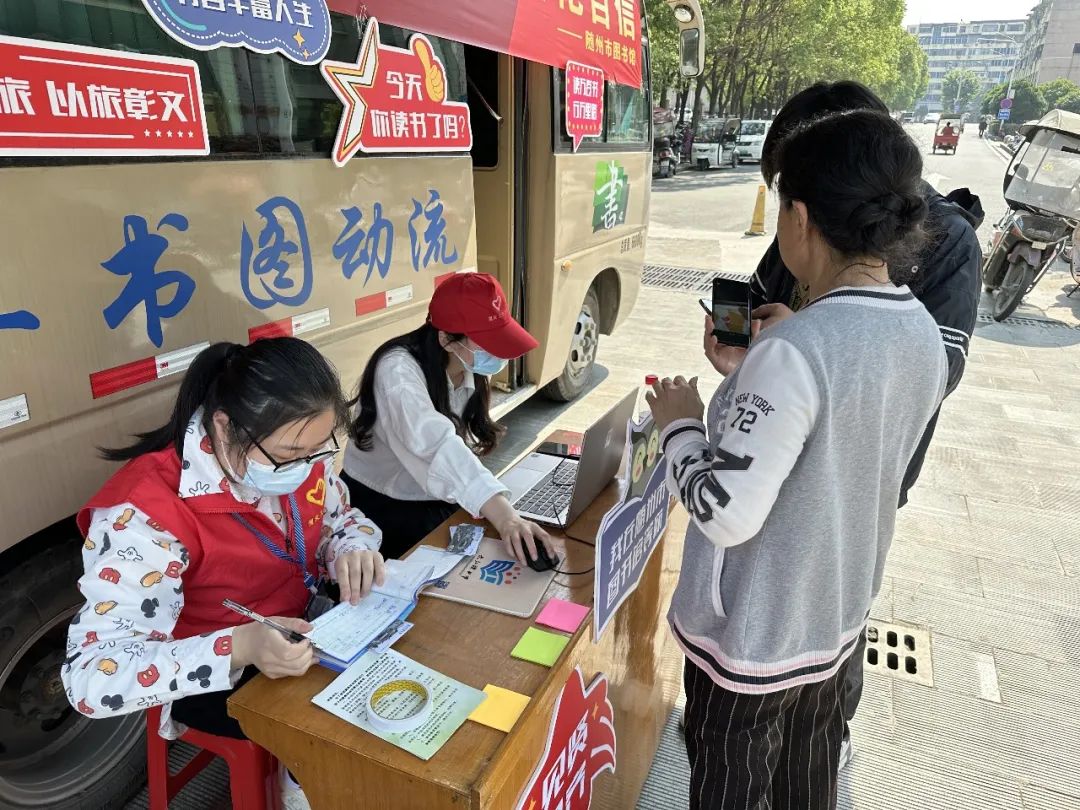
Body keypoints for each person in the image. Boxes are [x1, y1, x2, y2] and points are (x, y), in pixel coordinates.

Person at [650, 110, 947, 809]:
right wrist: (751, 377)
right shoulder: (921, 332)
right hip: (834, 619)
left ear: (801, 216)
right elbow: (833, 446)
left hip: (752, 638)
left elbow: (723, 513)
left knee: (731, 790)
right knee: (806, 788)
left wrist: (680, 426)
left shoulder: (798, 348)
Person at [709, 81, 983, 767]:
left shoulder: (943, 237)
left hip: (850, 474)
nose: (785, 218)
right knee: (783, 611)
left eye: (786, 196)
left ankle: (818, 732)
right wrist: (756, 358)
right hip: (770, 461)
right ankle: (798, 741)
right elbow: (773, 308)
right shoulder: (807, 239)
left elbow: (935, 369)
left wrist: (806, 346)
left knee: (827, 620)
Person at [62, 338, 384, 806]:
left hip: (306, 627)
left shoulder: (298, 455)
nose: (308, 467)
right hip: (213, 669)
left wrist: (352, 546)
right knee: (355, 733)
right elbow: (91, 678)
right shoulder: (145, 513)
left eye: (319, 451)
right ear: (224, 426)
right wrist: (241, 646)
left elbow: (342, 520)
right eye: (290, 453)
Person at [343, 272, 556, 563]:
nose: (497, 352)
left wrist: (500, 510)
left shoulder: (464, 364)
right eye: (486, 341)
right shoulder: (397, 373)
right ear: (446, 338)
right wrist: (505, 516)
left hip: (432, 497)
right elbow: (437, 445)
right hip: (382, 509)